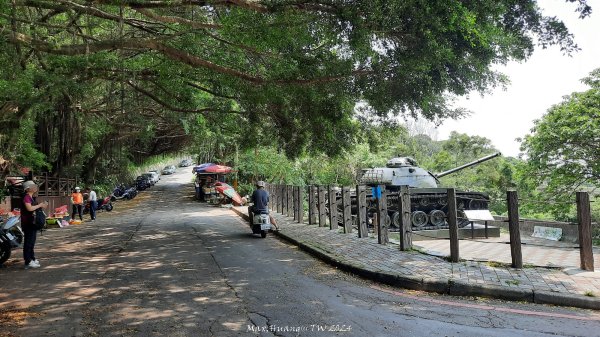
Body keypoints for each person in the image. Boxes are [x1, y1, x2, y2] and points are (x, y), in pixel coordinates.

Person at [21, 181, 48, 269]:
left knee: (31, 242)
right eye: (33, 186)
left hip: (32, 223)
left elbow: (33, 209)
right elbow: (29, 208)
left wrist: (41, 206)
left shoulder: (31, 197)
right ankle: (28, 261)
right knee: (28, 243)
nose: (35, 187)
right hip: (28, 223)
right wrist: (39, 205)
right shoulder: (26, 197)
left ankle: (32, 258)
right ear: (28, 188)